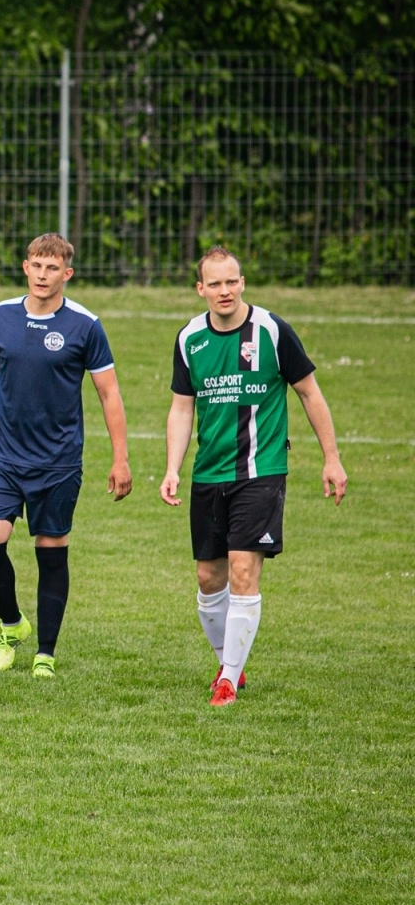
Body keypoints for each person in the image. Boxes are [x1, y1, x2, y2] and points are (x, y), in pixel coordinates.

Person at [160, 246, 347, 707]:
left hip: (261, 471)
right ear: (200, 289)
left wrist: (332, 458)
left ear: (242, 282)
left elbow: (309, 393)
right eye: (215, 284)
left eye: (232, 281)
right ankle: (231, 663)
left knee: (243, 569)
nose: (225, 291)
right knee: (209, 578)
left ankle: (226, 681)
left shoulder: (271, 330)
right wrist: (171, 468)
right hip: (209, 472)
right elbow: (182, 408)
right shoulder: (189, 338)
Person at [0, 233, 131, 678]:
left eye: (52, 268)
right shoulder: (0, 317)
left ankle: (46, 653)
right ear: (25, 267)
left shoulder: (85, 325)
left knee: (51, 549)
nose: (43, 275)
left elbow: (109, 394)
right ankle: (12, 625)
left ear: (67, 274)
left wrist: (121, 459)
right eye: (36, 266)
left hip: (57, 460)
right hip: (3, 455)